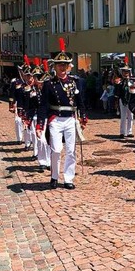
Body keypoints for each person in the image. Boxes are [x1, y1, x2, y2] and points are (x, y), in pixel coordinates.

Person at [36, 40, 87, 190]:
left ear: (68, 66)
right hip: (55, 119)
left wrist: (83, 116)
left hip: (70, 119)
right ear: (55, 66)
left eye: (65, 65)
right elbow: (43, 106)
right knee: (56, 149)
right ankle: (54, 176)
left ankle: (68, 178)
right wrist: (40, 124)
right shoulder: (49, 84)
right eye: (60, 65)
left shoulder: (75, 82)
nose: (62, 68)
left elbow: (80, 101)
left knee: (71, 150)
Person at [114, 57, 134, 138]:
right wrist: (116, 101)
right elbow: (117, 92)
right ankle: (122, 132)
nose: (126, 73)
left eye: (127, 72)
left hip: (131, 100)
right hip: (122, 100)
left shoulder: (132, 80)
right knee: (123, 116)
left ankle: (129, 132)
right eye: (124, 72)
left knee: (131, 116)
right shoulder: (119, 81)